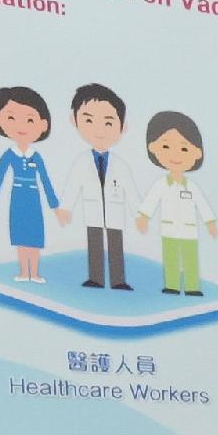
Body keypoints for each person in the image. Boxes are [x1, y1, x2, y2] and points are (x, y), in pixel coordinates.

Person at [65, 83, 136, 293]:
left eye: (108, 123)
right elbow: (72, 185)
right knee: (94, 243)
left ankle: (118, 280)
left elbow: (130, 188)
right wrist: (65, 207)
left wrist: (141, 212)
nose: (99, 130)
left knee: (115, 245)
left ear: (122, 128)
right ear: (74, 120)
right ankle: (95, 278)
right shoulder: (81, 161)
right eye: (88, 120)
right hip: (93, 211)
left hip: (115, 211)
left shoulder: (120, 164)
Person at [0, 87, 59, 283]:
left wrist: (55, 206)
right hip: (17, 198)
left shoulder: (37, 156)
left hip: (34, 199)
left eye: (29, 120)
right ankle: (24, 272)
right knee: (21, 237)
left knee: (34, 237)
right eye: (11, 118)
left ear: (43, 125)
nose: (21, 126)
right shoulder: (9, 155)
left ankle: (34, 272)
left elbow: (45, 181)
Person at [141, 111, 217, 299]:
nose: (175, 155)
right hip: (169, 230)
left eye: (184, 149)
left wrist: (210, 222)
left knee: (190, 259)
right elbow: (151, 201)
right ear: (153, 148)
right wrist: (144, 217)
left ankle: (192, 286)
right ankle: (172, 285)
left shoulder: (192, 187)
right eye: (166, 146)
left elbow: (203, 206)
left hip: (189, 231)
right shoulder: (160, 185)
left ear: (197, 153)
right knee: (171, 258)